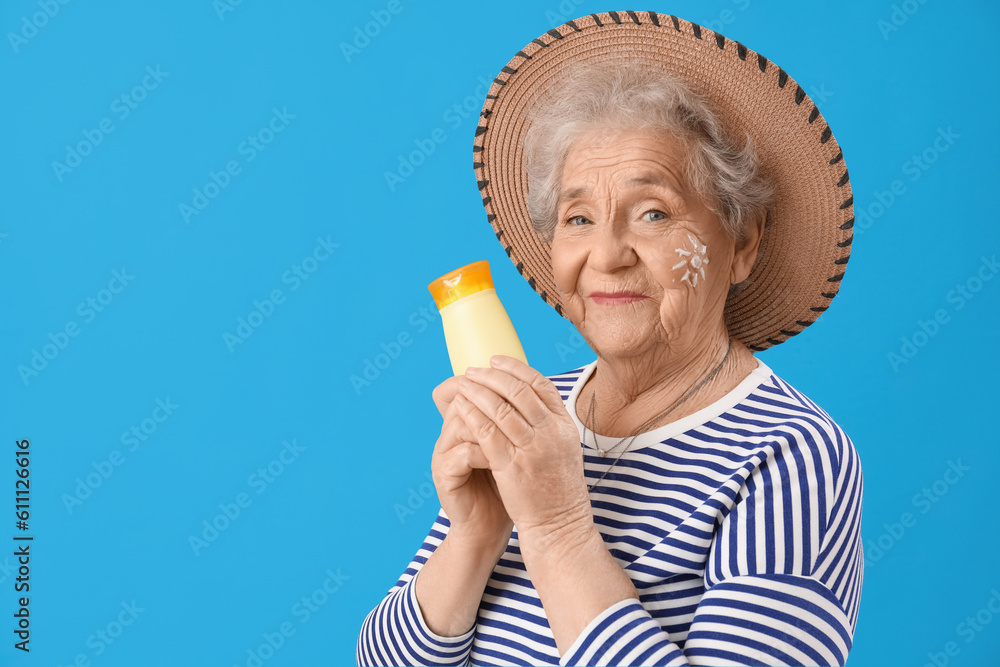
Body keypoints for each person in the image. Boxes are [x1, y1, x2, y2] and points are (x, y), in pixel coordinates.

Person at [358, 10, 862, 666]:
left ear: (741, 241)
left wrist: (557, 527)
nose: (607, 254)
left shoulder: (791, 455)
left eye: (653, 212)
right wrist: (476, 533)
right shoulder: (537, 413)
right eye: (578, 217)